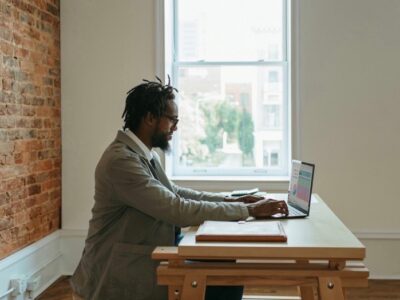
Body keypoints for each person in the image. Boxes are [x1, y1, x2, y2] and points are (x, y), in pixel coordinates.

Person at [70, 78, 288, 300]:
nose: (176, 126)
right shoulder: (121, 161)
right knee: (224, 279)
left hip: (140, 257)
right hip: (114, 275)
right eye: (172, 119)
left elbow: (176, 193)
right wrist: (249, 212)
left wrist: (235, 202)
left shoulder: (144, 154)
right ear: (150, 118)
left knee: (226, 269)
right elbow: (177, 209)